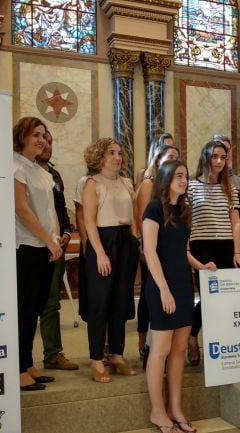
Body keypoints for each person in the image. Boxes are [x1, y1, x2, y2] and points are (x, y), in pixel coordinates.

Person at [143, 160, 213, 433]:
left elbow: (181, 250)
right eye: (179, 176)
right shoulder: (153, 208)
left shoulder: (184, 210)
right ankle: (157, 411)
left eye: (185, 176)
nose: (184, 181)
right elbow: (150, 251)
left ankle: (175, 407)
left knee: (179, 350)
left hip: (184, 285)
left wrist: (200, 265)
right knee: (160, 350)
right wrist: (163, 289)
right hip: (162, 286)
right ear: (166, 178)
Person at [82, 138, 140, 383]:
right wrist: (100, 253)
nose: (117, 157)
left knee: (121, 300)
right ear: (99, 157)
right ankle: (97, 359)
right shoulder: (92, 184)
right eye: (111, 153)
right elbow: (89, 221)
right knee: (100, 303)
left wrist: (136, 242)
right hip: (102, 243)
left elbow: (134, 218)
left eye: (119, 153)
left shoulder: (127, 183)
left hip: (125, 241)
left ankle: (117, 355)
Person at [12, 116, 63, 391]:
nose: (42, 140)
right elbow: (21, 210)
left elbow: (51, 210)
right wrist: (47, 240)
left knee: (36, 308)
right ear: (22, 136)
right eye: (36, 135)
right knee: (24, 310)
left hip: (45, 246)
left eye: (44, 135)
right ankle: (18, 368)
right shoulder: (15, 166)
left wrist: (54, 240)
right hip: (26, 247)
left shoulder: (42, 171)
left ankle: (28, 362)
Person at [187, 140, 240, 365]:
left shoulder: (229, 187)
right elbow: (187, 221)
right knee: (209, 298)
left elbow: (236, 222)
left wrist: (238, 251)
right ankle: (193, 337)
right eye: (215, 156)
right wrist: (187, 250)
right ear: (206, 158)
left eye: (223, 157)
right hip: (202, 246)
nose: (219, 161)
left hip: (226, 245)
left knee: (225, 298)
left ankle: (221, 344)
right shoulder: (191, 186)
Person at [36, 131, 79, 371]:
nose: (46, 145)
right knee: (30, 303)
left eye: (50, 141)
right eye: (41, 139)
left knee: (52, 302)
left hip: (56, 246)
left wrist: (65, 232)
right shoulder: (21, 171)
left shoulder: (54, 175)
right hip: (31, 246)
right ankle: (21, 361)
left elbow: (61, 209)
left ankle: (52, 353)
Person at [134, 144, 181, 359]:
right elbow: (144, 218)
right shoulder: (148, 187)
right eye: (169, 157)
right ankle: (145, 346)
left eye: (177, 158)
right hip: (152, 251)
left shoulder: (180, 203)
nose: (174, 161)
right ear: (158, 160)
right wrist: (145, 248)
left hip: (172, 260)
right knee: (151, 299)